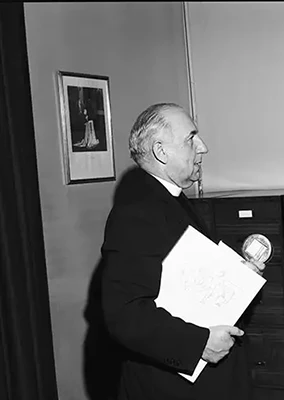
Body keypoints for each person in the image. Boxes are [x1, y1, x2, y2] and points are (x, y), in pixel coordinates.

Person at [100, 103, 264, 400]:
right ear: (161, 151)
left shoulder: (170, 199)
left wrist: (239, 275)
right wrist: (198, 343)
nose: (203, 147)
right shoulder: (135, 213)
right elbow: (124, 314)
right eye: (191, 138)